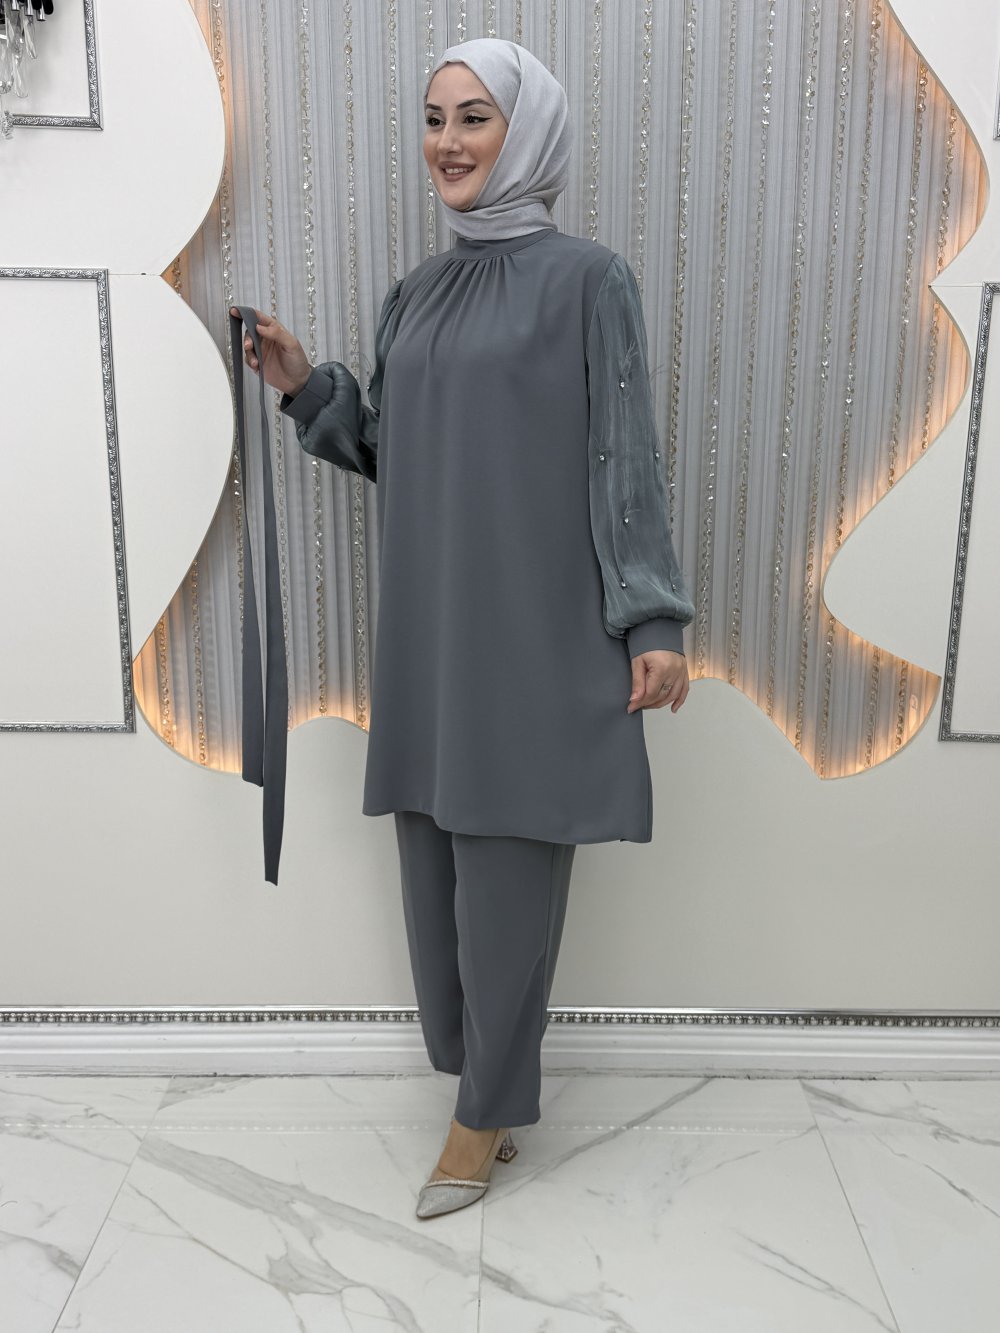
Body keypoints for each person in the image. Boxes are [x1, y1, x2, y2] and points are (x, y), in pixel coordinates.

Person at [231, 37, 695, 1221]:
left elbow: (623, 455)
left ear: (524, 131)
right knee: (433, 874)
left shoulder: (589, 280)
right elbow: (401, 451)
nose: (447, 142)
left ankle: (484, 1114)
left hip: (536, 630)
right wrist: (304, 386)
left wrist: (650, 617)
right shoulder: (415, 293)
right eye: (434, 119)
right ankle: (477, 1080)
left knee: (505, 884)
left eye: (474, 117)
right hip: (430, 632)